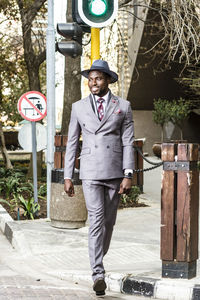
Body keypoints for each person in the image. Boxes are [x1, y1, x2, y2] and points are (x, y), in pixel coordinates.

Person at [64, 59, 135, 296]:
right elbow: (72, 142)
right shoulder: (79, 107)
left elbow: (128, 142)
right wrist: (68, 176)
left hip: (115, 172)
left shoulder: (123, 106)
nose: (93, 83)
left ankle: (97, 258)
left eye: (98, 78)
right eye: (90, 79)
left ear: (108, 80)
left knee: (108, 223)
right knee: (96, 220)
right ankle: (98, 274)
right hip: (90, 172)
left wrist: (128, 174)